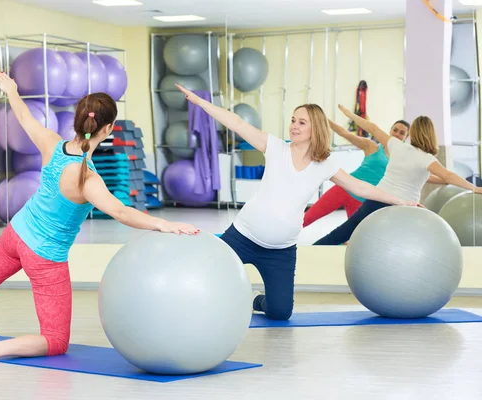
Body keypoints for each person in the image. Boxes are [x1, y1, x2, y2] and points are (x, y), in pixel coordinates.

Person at [0, 73, 199, 369]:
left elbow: (23, 117)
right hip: (44, 256)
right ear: (109, 128)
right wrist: (166, 225)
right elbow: (121, 212)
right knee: (55, 341)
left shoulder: (51, 142)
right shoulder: (87, 177)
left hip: (16, 232)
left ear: (77, 119)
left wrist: (11, 90)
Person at [175, 83, 419, 321]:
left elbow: (360, 187)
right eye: (293, 120)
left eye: (302, 122)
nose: (294, 126)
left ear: (316, 129)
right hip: (243, 237)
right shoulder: (274, 148)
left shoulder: (325, 163)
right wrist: (200, 102)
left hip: (281, 251)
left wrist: (399, 201)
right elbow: (237, 123)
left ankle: (257, 301)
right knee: (207, 276)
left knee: (281, 312)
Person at [313, 104, 482, 246]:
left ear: (412, 133)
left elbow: (372, 128)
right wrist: (474, 188)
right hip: (404, 207)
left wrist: (351, 115)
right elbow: (448, 176)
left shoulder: (396, 146)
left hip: (377, 199)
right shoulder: (427, 159)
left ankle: (309, 254)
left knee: (344, 232)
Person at [303, 119, 410, 227]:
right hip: (344, 188)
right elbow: (344, 133)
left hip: (363, 199)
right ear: (390, 130)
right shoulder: (372, 146)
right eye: (395, 130)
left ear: (406, 137)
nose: (397, 134)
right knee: (307, 218)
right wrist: (323, 118)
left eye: (402, 133)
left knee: (353, 234)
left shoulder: (404, 159)